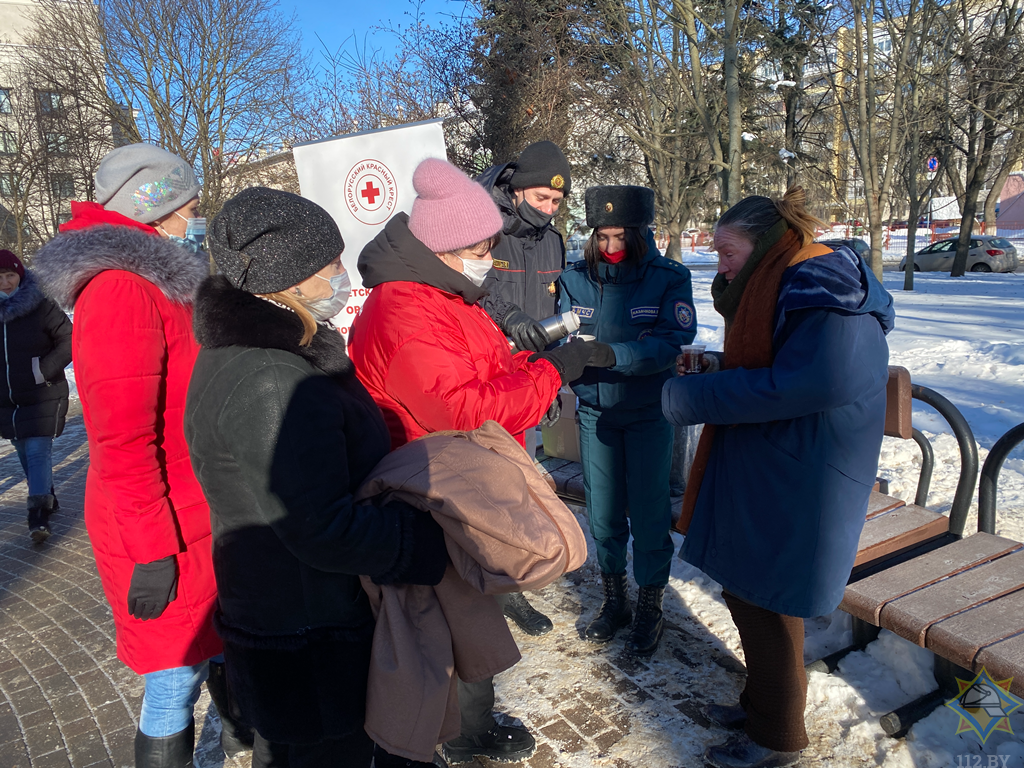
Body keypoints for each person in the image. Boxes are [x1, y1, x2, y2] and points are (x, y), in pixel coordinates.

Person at [349, 157, 608, 765]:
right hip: (430, 488)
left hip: (457, 480)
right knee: (444, 625)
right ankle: (441, 738)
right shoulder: (405, 311)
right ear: (443, 248)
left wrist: (539, 363)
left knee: (469, 617)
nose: (489, 259)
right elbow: (465, 411)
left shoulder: (448, 296)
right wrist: (552, 373)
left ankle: (469, 726)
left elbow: (485, 369)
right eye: (481, 248)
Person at [184, 187, 448, 768]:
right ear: (289, 278)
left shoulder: (264, 351)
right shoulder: (270, 379)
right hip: (309, 634)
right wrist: (419, 544)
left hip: (292, 617)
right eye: (329, 262)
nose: (342, 272)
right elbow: (319, 525)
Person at [32, 144, 250, 767]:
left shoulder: (158, 281)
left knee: (217, 645)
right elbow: (121, 441)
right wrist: (153, 551)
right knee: (172, 676)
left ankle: (241, 737)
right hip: (160, 525)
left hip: (194, 508)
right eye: (190, 203)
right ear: (156, 207)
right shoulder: (121, 292)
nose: (197, 215)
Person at [661, 188, 894, 768]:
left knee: (766, 599)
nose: (721, 267)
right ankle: (762, 705)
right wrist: (719, 367)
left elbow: (807, 383)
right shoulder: (793, 281)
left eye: (728, 251)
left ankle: (777, 739)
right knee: (749, 591)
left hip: (804, 476)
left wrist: (693, 395)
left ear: (764, 242)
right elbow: (785, 367)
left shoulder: (825, 290)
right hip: (779, 464)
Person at [558, 186, 696, 658]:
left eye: (620, 237)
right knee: (603, 514)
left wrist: (613, 354)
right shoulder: (573, 279)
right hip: (596, 414)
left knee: (650, 513)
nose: (610, 247)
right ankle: (615, 600)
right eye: (602, 236)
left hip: (647, 414)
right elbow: (561, 332)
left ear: (641, 233)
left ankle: (650, 606)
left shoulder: (668, 278)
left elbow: (670, 342)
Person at [475, 140, 573, 635]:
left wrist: (550, 383)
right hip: (482, 382)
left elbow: (553, 316)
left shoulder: (553, 242)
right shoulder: (482, 229)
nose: (548, 210)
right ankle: (484, 594)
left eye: (556, 203)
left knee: (517, 489)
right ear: (514, 190)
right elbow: (467, 292)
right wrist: (509, 318)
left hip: (528, 382)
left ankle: (509, 587)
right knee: (484, 493)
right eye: (540, 199)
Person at [0, 249, 72, 543]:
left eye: (10, 275)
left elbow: (69, 337)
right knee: (23, 453)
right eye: (0, 277)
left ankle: (37, 516)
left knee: (37, 452)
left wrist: (42, 370)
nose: (5, 282)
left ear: (20, 275)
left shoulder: (40, 305)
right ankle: (48, 496)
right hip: (6, 400)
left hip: (42, 393)